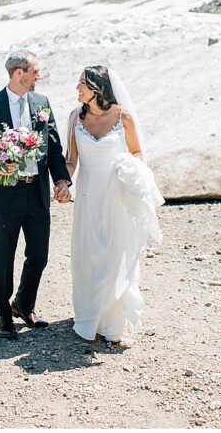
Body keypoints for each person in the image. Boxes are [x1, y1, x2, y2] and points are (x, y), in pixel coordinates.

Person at [0, 50, 71, 339]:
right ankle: (3, 312)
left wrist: (62, 180)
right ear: (19, 73)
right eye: (35, 71)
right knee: (3, 256)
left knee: (39, 254)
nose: (38, 76)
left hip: (36, 190)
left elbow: (53, 147)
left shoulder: (42, 103)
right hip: (6, 193)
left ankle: (24, 305)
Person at [65, 65, 163, 344]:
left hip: (116, 194)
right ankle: (88, 314)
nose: (77, 89)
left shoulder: (123, 117)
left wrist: (130, 170)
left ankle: (111, 322)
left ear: (97, 88)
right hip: (87, 194)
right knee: (88, 254)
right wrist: (63, 183)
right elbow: (71, 160)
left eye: (82, 83)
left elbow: (137, 152)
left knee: (114, 253)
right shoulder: (75, 118)